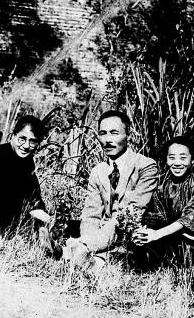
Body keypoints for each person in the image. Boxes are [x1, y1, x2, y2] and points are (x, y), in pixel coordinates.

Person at [55, 110, 159, 270]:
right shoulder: (98, 171)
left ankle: (68, 253)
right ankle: (88, 259)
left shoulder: (145, 166)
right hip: (101, 240)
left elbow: (133, 212)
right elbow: (91, 215)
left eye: (114, 133)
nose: (107, 140)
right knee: (88, 229)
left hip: (130, 237)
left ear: (129, 135)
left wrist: (85, 243)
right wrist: (89, 244)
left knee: (123, 226)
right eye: (103, 133)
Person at [132, 133, 194, 275]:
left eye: (183, 158)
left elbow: (189, 218)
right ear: (165, 160)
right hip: (171, 244)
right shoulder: (161, 188)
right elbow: (156, 217)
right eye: (172, 158)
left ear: (192, 160)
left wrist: (156, 234)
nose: (177, 163)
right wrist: (143, 233)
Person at [0, 115, 51, 247]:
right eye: (22, 139)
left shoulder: (27, 160)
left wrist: (40, 214)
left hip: (12, 221)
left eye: (32, 142)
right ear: (13, 136)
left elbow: (33, 193)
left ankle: (44, 238)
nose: (26, 146)